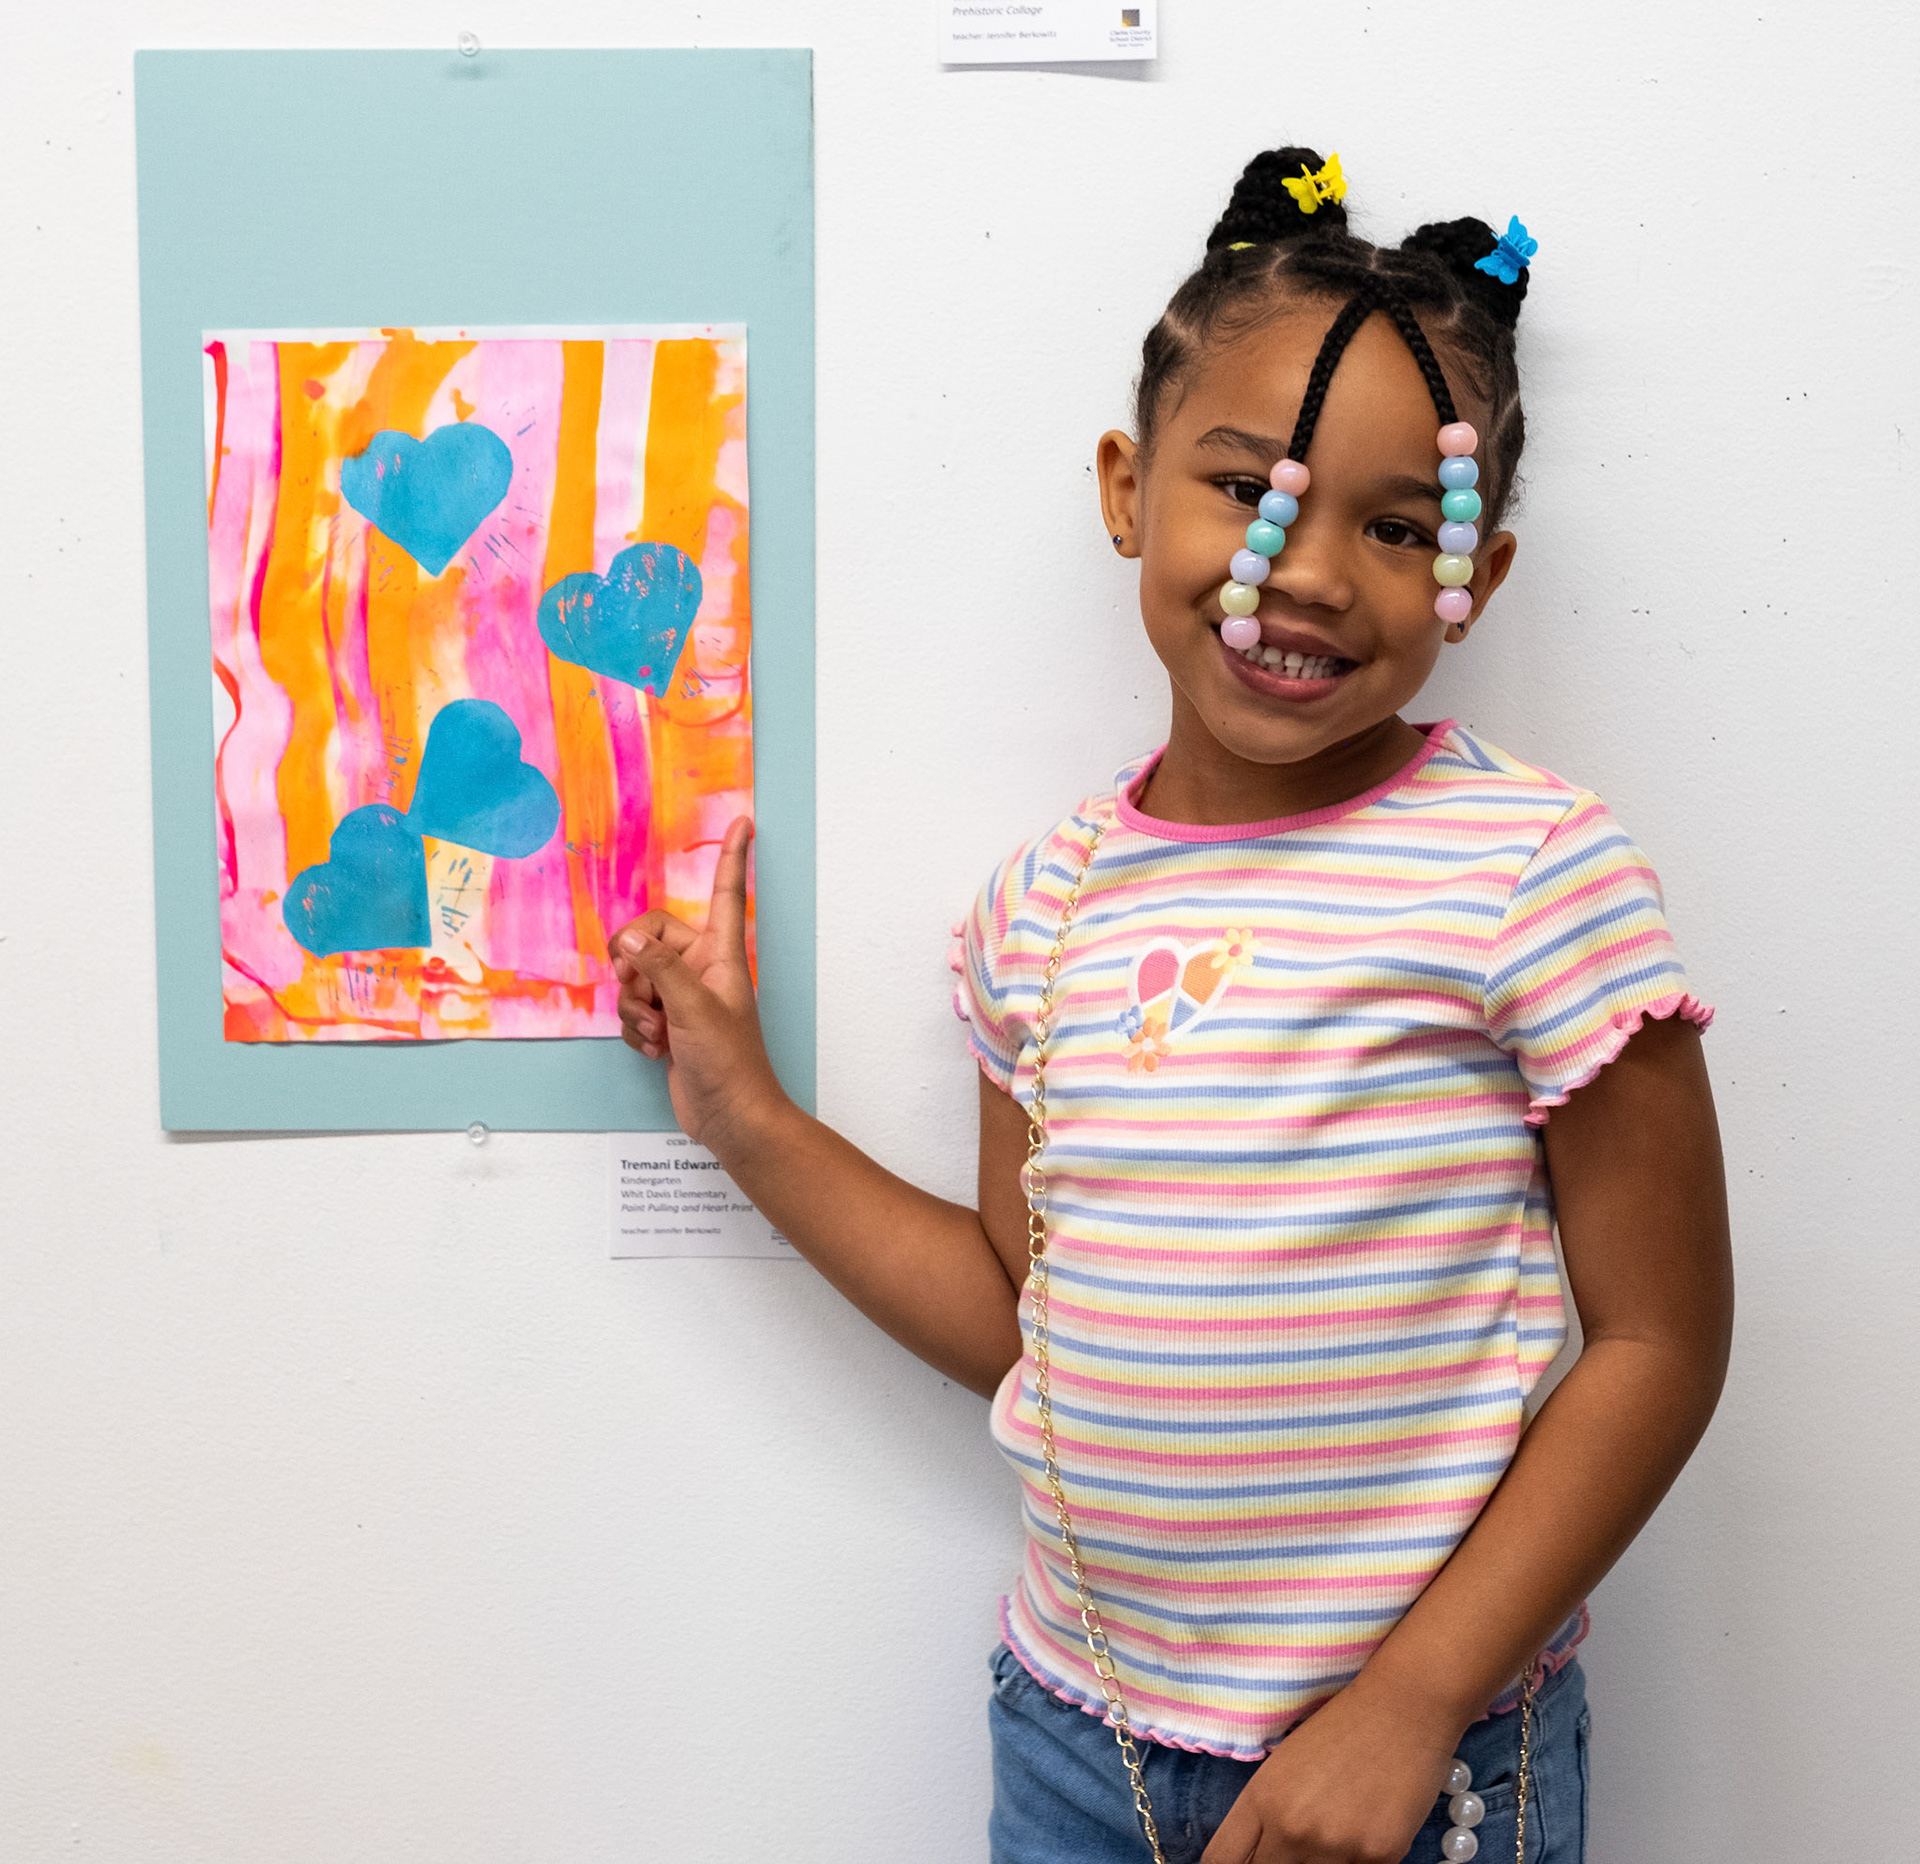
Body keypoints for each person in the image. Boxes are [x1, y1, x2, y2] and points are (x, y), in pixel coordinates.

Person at [607, 145, 1732, 1864]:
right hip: (1082, 1741)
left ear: (1478, 576)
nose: (1304, 571)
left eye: (1398, 525)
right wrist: (747, 1119)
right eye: (1246, 493)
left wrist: (1414, 1703)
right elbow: (1022, 1319)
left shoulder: (1533, 869)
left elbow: (1659, 1343)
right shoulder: (1040, 911)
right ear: (1129, 492)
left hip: (1429, 1770)